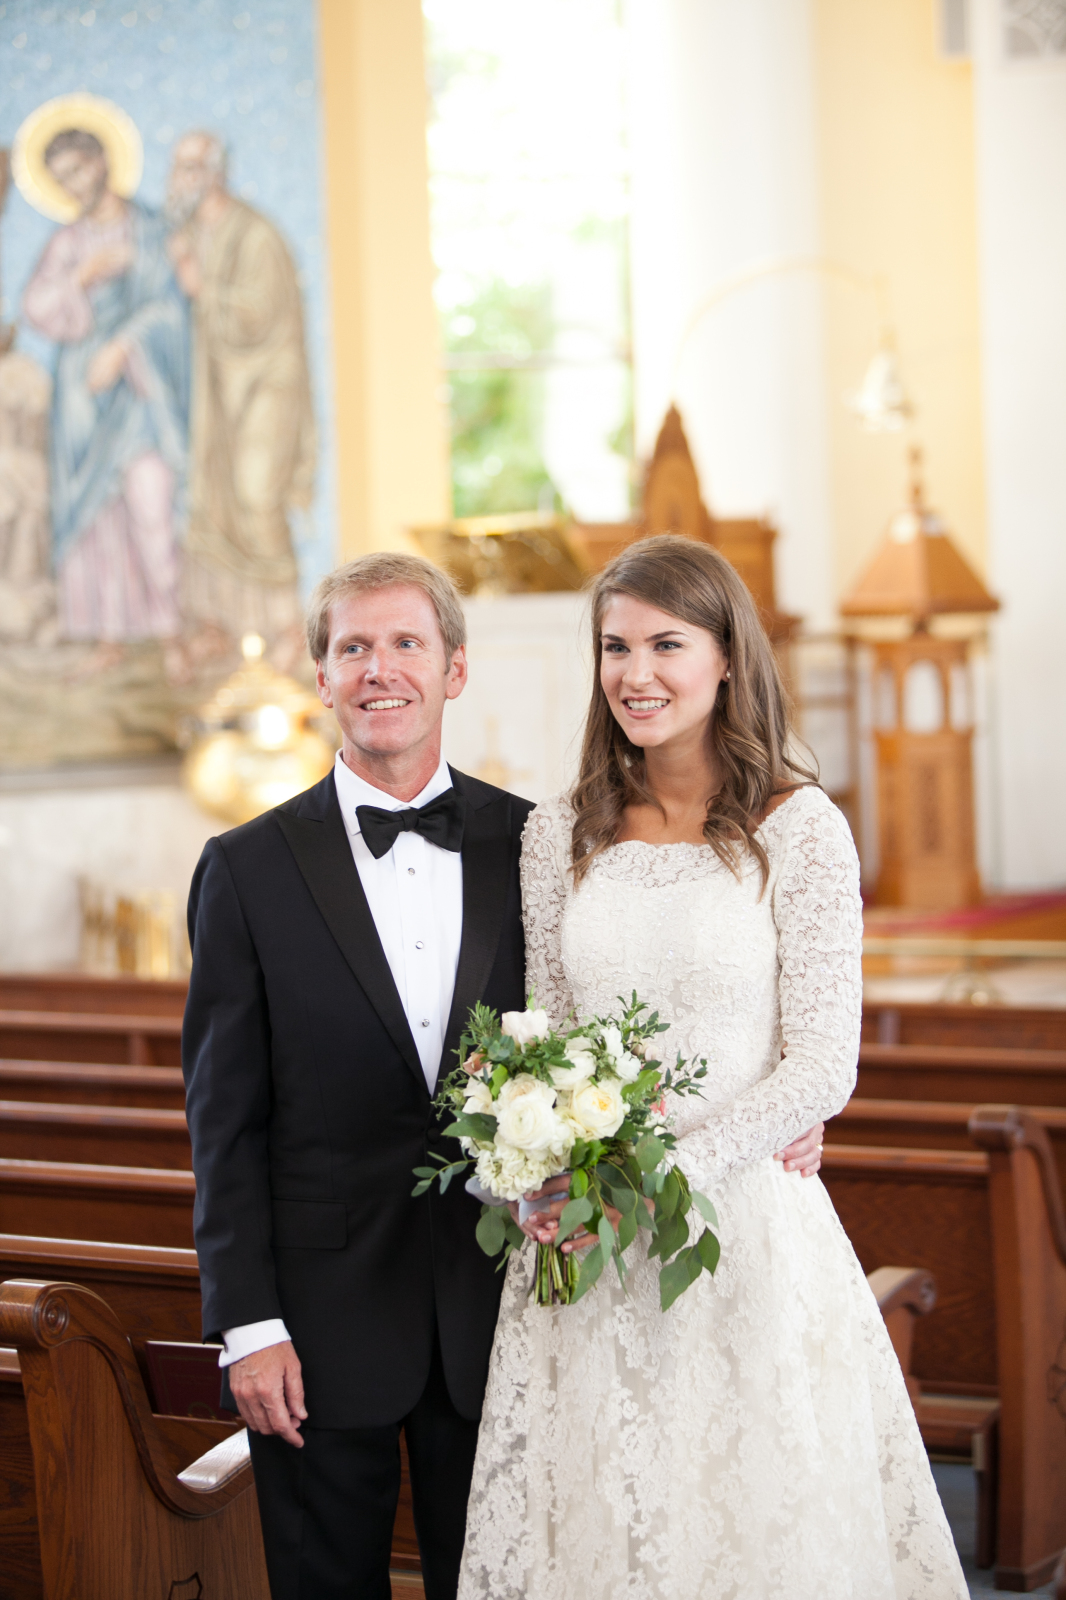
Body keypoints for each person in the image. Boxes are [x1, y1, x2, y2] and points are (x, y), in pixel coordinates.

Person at [182, 551, 826, 1600]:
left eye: (407, 643)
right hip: (322, 1312)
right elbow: (223, 1120)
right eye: (353, 647)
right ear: (322, 676)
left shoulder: (537, 837)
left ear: (455, 669)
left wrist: (767, 1106)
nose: (380, 669)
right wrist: (248, 1325)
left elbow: (607, 1030)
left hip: (510, 1301)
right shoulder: (244, 868)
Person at [458, 535, 968, 1600]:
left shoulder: (802, 829)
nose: (635, 673)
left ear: (727, 656)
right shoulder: (558, 834)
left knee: (747, 1524)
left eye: (666, 644)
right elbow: (547, 1033)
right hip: (589, 1243)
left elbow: (821, 1062)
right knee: (603, 1523)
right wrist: (535, 1165)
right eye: (615, 647)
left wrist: (658, 1182)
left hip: (738, 1229)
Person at [21, 127, 188, 664]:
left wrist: (123, 344)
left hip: (142, 392)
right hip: (82, 401)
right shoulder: (67, 243)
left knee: (150, 501)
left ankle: (172, 635)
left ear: (101, 161)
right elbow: (37, 306)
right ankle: (108, 638)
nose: (72, 184)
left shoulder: (151, 231)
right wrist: (83, 277)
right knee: (97, 520)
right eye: (60, 178)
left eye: (77, 169)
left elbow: (175, 310)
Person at [166, 130, 314, 668]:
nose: (179, 180)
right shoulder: (187, 235)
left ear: (215, 173)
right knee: (210, 500)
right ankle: (218, 624)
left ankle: (288, 625)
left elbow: (261, 313)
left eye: (190, 168)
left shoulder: (256, 234)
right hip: (215, 392)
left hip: (265, 385)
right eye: (177, 168)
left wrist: (202, 288)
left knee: (256, 497)